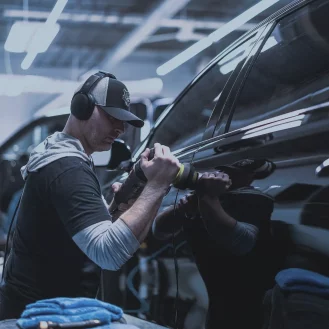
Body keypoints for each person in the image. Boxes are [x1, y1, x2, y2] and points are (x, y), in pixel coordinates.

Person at [0, 71, 180, 320]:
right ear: (81, 107)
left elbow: (80, 236)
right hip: (41, 316)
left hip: (34, 306)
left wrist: (115, 209)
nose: (120, 128)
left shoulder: (58, 154)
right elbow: (109, 254)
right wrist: (158, 185)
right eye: (111, 117)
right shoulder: (68, 168)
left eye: (123, 121)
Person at [152, 159, 278, 329]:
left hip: (244, 311)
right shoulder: (201, 195)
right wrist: (186, 207)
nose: (219, 175)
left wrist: (208, 197)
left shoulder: (254, 199)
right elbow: (159, 230)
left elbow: (242, 243)